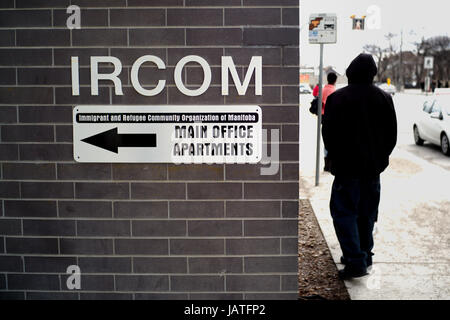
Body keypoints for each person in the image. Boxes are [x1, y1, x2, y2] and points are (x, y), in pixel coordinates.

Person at [322, 54, 397, 280]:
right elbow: (391, 136)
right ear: (372, 73)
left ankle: (355, 261)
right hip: (372, 169)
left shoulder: (338, 98)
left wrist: (336, 158)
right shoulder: (384, 98)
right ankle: (364, 255)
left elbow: (329, 135)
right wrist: (379, 159)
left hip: (346, 169)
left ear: (351, 72)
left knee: (344, 213)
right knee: (367, 213)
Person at [322, 72, 337, 171]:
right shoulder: (335, 91)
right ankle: (331, 164)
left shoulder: (323, 90)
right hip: (333, 118)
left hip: (324, 118)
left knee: (325, 141)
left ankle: (326, 164)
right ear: (335, 80)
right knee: (333, 140)